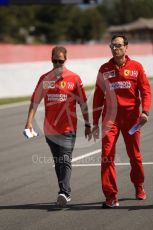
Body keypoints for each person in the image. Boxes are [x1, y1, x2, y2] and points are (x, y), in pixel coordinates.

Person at [25, 46, 92, 207]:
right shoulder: (45, 79)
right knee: (58, 162)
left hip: (68, 129)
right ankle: (63, 190)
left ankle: (64, 192)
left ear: (65, 60)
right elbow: (35, 101)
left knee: (65, 159)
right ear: (51, 60)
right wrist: (28, 122)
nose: (57, 64)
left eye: (60, 61)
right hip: (50, 130)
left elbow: (83, 103)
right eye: (54, 61)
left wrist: (88, 124)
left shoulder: (74, 78)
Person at [92, 35, 152, 208]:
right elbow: (97, 96)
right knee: (107, 155)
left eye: (118, 45)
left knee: (135, 155)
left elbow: (146, 91)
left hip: (132, 117)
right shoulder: (104, 69)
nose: (115, 48)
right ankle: (111, 196)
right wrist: (94, 122)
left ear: (126, 47)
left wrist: (145, 111)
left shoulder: (137, 67)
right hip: (110, 118)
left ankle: (139, 185)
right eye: (112, 45)